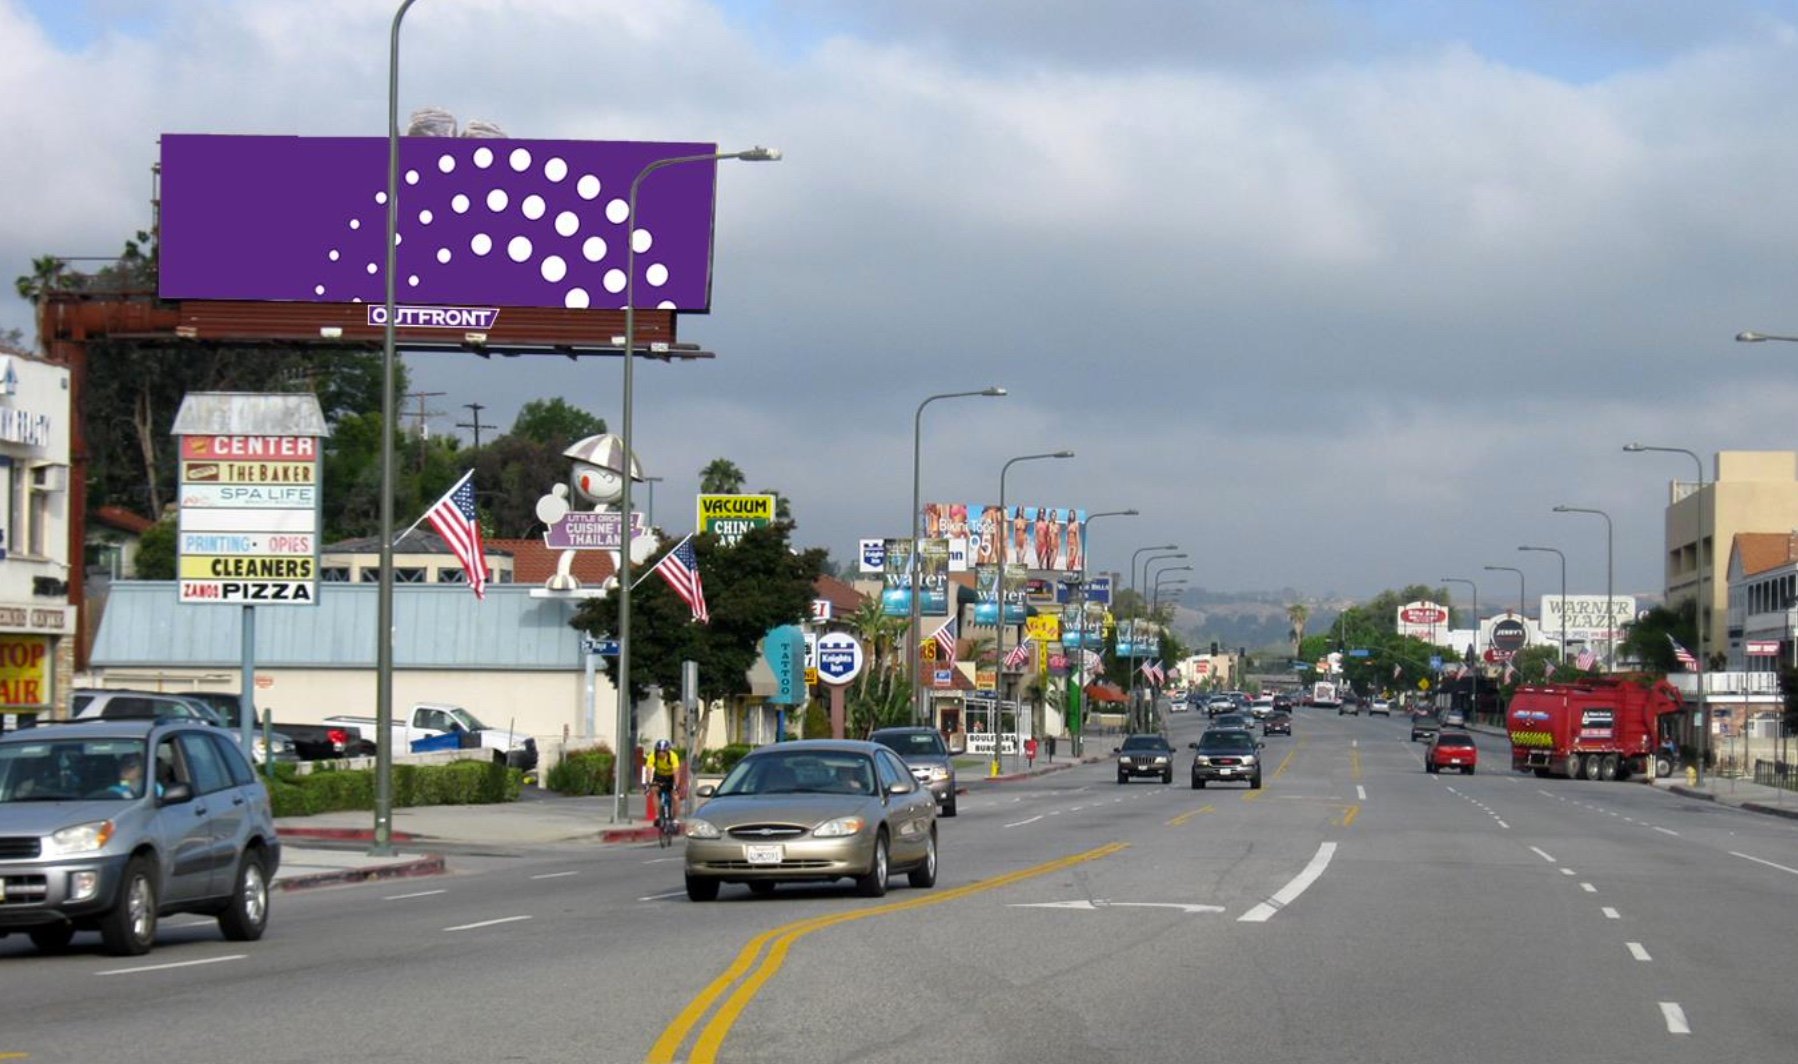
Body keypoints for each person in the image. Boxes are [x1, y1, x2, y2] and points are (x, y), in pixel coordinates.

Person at [643, 739, 681, 825]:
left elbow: (676, 773)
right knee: (654, 790)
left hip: (670, 776)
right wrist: (648, 783)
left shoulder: (673, 757)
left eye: (663, 751)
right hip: (659, 776)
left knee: (675, 797)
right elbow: (649, 771)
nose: (661, 753)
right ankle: (658, 814)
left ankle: (675, 818)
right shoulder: (652, 756)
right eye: (659, 751)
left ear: (667, 751)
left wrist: (675, 786)